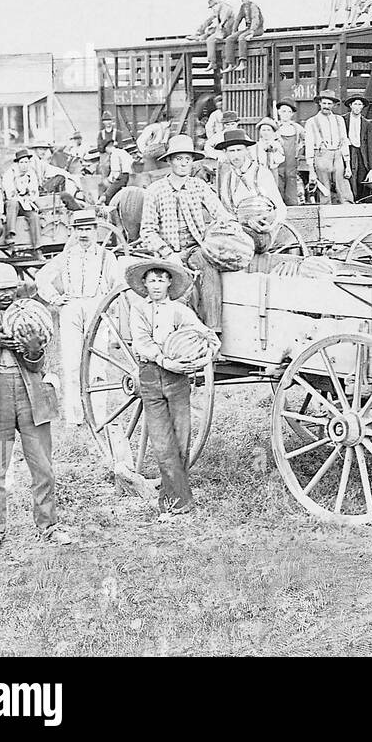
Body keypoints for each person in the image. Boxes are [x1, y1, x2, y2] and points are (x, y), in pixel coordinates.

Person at [0, 262, 74, 552]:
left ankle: (48, 525)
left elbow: (39, 365)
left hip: (31, 397)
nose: (6, 294)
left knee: (43, 468)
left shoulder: (31, 315)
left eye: (10, 288)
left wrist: (32, 349)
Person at [125, 256, 208, 518]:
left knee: (181, 439)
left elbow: (208, 336)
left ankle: (175, 499)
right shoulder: (138, 310)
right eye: (152, 281)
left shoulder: (180, 311)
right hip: (151, 377)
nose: (157, 285)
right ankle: (176, 502)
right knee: (162, 441)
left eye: (162, 280)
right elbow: (141, 342)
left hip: (177, 380)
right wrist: (164, 359)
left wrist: (202, 355)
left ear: (170, 282)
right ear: (145, 284)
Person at [35, 209, 124, 427]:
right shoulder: (65, 257)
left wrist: (110, 308)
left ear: (95, 231)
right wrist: (55, 298)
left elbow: (119, 284)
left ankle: (99, 416)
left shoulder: (106, 256)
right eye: (79, 229)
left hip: (97, 308)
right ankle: (74, 417)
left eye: (88, 229)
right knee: (72, 363)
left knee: (98, 364)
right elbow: (42, 277)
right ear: (73, 232)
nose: (84, 234)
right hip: (71, 308)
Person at [137, 135, 234, 332]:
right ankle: (176, 332)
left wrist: (229, 223)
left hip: (196, 248)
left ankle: (212, 329)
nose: (183, 164)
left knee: (209, 269)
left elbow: (219, 211)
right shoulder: (155, 190)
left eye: (187, 159)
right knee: (176, 287)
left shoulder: (198, 186)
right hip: (168, 253)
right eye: (179, 159)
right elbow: (147, 231)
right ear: (170, 161)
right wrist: (168, 254)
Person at [216, 127, 286, 252]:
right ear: (225, 153)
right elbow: (226, 212)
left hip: (263, 233)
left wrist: (271, 226)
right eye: (232, 151)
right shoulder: (227, 179)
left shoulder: (261, 173)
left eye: (239, 150)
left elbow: (281, 208)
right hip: (239, 235)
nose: (236, 155)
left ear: (246, 151)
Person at [303, 89, 352, 204]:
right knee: (324, 189)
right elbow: (309, 146)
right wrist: (311, 170)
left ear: (334, 105)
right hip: (321, 156)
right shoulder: (311, 122)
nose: (326, 106)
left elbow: (344, 142)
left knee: (343, 188)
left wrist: (348, 165)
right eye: (324, 103)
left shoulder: (339, 120)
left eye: (329, 104)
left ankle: (349, 212)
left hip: (338, 155)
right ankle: (326, 215)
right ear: (319, 103)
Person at [188, 0, 235, 79]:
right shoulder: (219, 9)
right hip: (222, 30)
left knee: (210, 39)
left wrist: (217, 30)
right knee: (210, 30)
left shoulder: (226, 8)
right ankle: (199, 36)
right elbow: (211, 20)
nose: (219, 1)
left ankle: (212, 62)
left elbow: (223, 22)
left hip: (227, 30)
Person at [2, 148, 42, 248]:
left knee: (34, 217)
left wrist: (29, 196)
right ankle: (10, 236)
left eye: (26, 162)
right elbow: (10, 194)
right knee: (13, 203)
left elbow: (34, 192)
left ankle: (37, 247)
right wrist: (21, 192)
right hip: (13, 205)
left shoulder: (31, 174)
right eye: (22, 162)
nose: (24, 165)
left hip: (26, 203)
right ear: (18, 163)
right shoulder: (10, 174)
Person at [30, 141, 85, 210]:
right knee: (65, 194)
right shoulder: (31, 162)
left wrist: (74, 180)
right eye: (40, 149)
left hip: (40, 188)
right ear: (35, 150)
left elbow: (57, 171)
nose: (43, 152)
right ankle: (62, 201)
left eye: (45, 149)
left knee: (60, 177)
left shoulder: (40, 162)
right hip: (34, 191)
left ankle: (60, 202)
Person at [223, 0, 265, 74]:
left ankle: (243, 62)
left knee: (242, 37)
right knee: (229, 39)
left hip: (257, 29)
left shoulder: (253, 6)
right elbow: (238, 19)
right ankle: (231, 63)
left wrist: (252, 32)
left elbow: (255, 20)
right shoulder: (243, 7)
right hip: (248, 28)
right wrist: (234, 31)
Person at [342, 93, 372, 201]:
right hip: (349, 151)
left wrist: (371, 168)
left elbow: (370, 146)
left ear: (362, 107)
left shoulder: (366, 123)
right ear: (351, 105)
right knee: (349, 177)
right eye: (355, 104)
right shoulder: (343, 120)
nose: (357, 107)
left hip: (361, 153)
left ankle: (360, 201)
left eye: (360, 104)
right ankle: (350, 200)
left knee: (361, 177)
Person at [274, 99, 305, 206]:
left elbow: (306, 139)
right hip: (278, 161)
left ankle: (292, 206)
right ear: (278, 112)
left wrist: (300, 149)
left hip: (292, 160)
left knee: (291, 180)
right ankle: (278, 205)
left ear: (292, 114)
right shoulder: (275, 127)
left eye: (288, 112)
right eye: (283, 111)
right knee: (278, 180)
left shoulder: (297, 128)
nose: (286, 114)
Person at [99, 137, 134, 204]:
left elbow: (116, 173)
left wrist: (108, 180)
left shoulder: (114, 154)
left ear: (107, 148)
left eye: (106, 151)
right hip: (131, 175)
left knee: (107, 195)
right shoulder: (122, 151)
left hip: (123, 177)